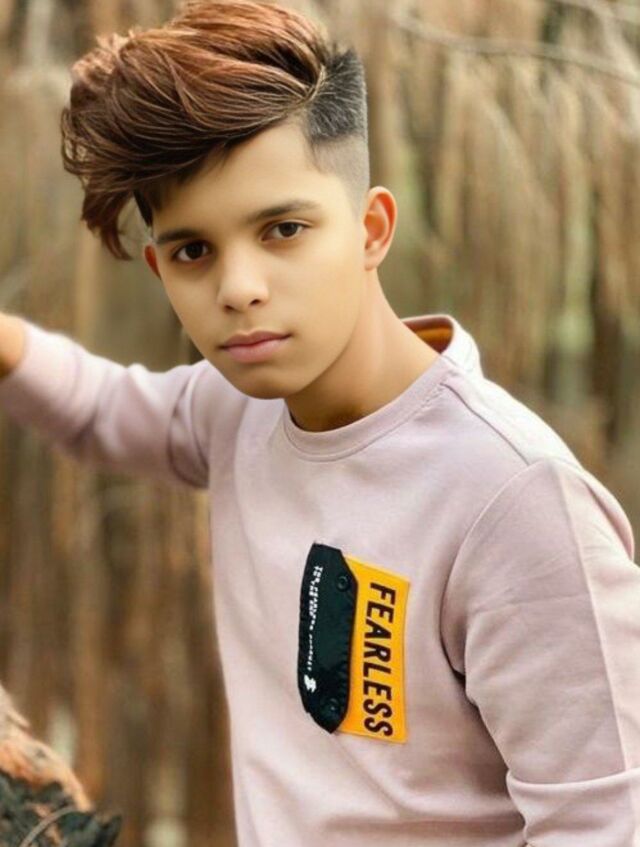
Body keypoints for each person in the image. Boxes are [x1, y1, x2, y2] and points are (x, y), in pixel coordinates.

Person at [1, 1, 639, 844]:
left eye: (284, 229)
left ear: (371, 229)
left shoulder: (515, 498)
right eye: (194, 251)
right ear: (159, 268)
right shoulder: (239, 412)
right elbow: (100, 408)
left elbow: (602, 822)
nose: (239, 288)